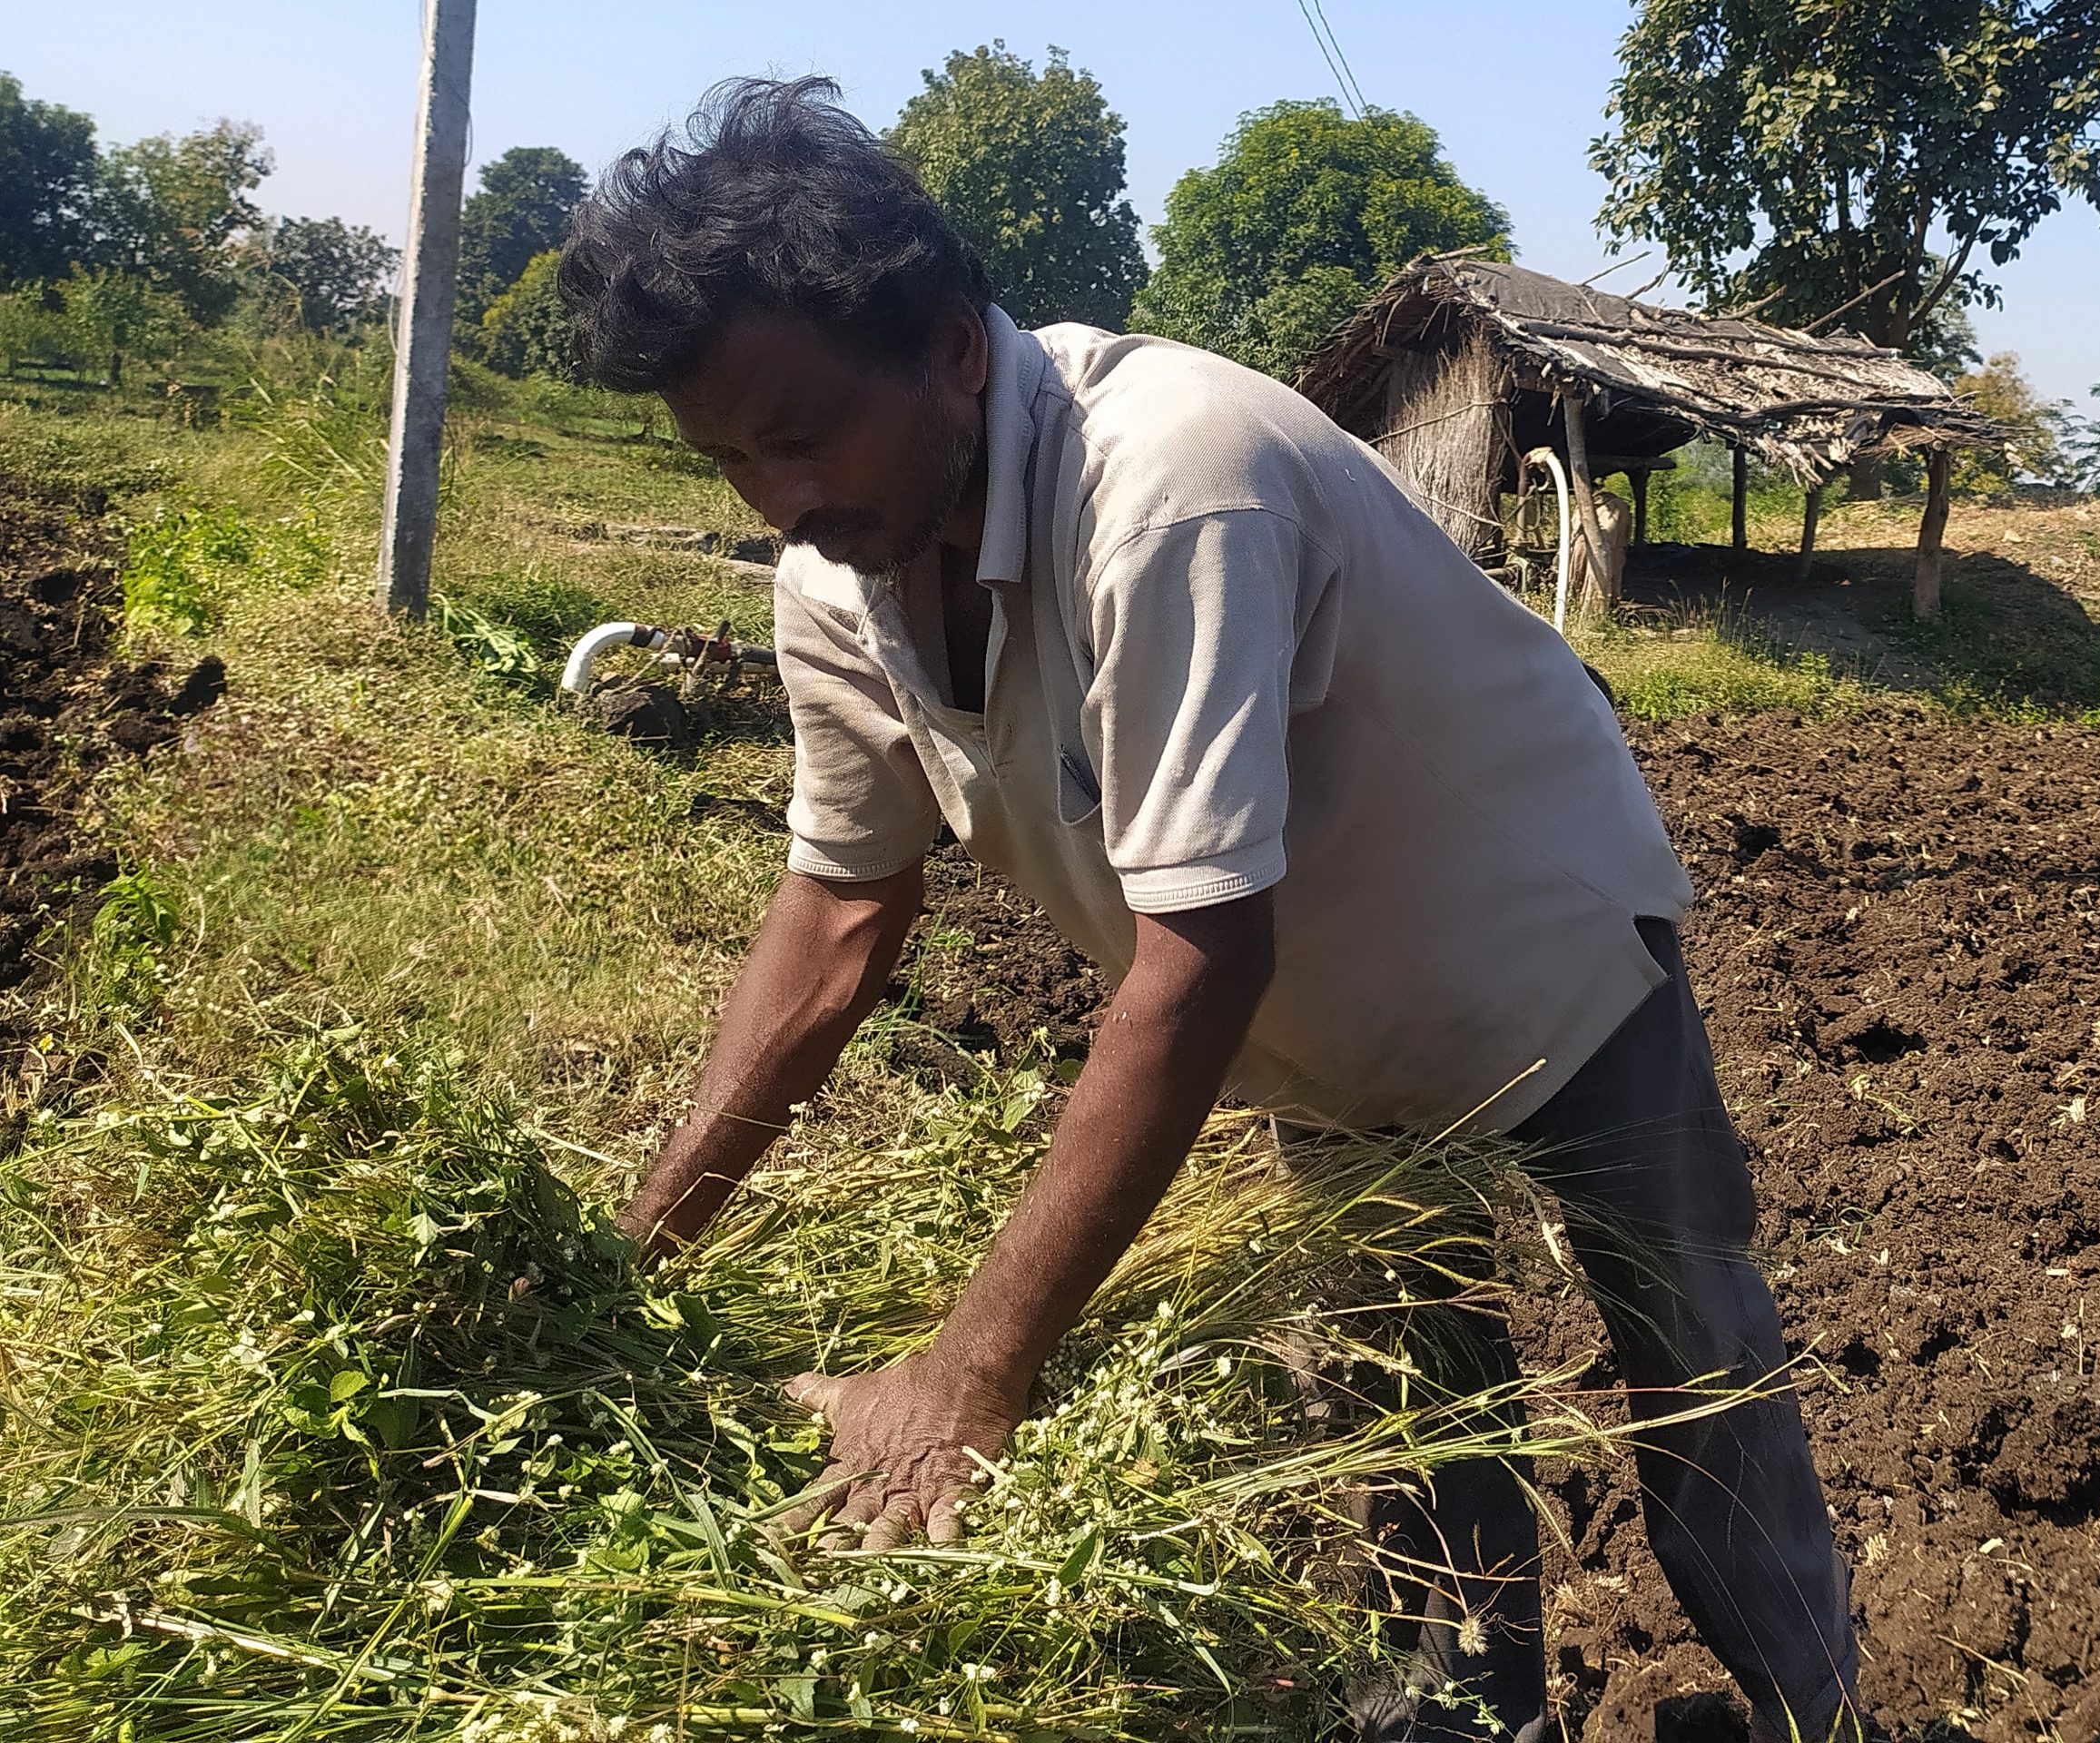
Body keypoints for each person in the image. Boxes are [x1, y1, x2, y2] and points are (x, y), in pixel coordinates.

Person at [558, 76, 1867, 1743]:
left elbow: (1200, 952)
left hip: (1538, 957)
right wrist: (630, 1259)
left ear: (956, 348)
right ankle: (1469, 1725)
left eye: (800, 434)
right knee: (1406, 1410)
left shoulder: (1173, 480)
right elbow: (836, 913)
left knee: (1691, 1372)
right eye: (728, 456)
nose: (774, 497)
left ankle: (1817, 1714)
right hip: (1316, 1033)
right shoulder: (837, 572)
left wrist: (970, 1374)